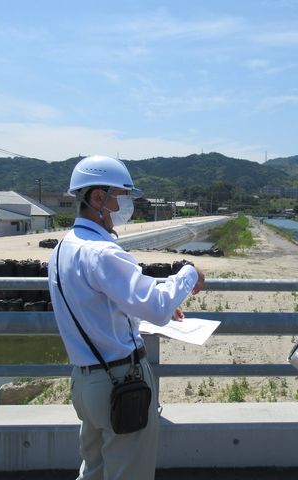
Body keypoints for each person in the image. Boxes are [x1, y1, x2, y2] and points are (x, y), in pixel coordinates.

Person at [48, 155, 205, 480]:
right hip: (119, 381)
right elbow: (158, 307)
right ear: (97, 198)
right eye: (120, 196)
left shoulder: (64, 248)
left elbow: (98, 308)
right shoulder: (103, 253)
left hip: (85, 381)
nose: (125, 205)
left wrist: (140, 311)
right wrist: (188, 272)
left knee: (93, 470)